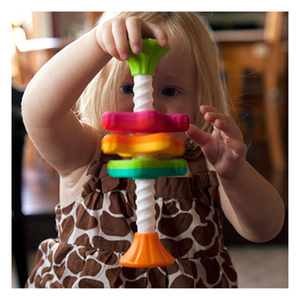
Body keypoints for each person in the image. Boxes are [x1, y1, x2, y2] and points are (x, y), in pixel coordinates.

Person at [22, 12, 285, 288]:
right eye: (127, 87)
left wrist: (235, 175)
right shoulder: (87, 156)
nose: (146, 105)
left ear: (199, 96)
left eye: (170, 91)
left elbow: (265, 229)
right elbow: (40, 113)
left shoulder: (207, 163)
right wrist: (96, 45)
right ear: (100, 87)